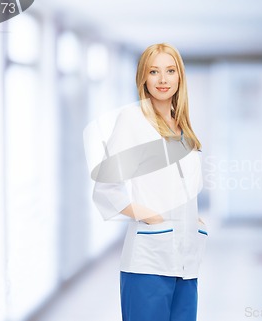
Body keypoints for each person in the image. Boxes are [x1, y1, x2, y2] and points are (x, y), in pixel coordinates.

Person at [89, 43, 207, 321]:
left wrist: (195, 220)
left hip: (187, 261)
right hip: (147, 264)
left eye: (170, 70)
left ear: (180, 77)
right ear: (143, 77)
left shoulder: (184, 127)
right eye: (154, 71)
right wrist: (150, 216)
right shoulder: (132, 120)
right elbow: (106, 187)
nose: (163, 79)